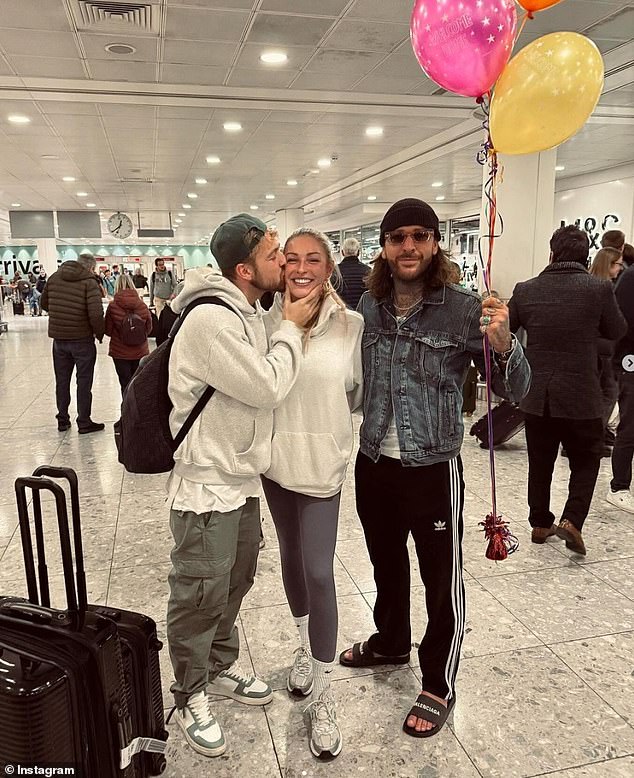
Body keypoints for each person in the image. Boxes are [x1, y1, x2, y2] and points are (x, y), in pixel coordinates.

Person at [339, 198, 531, 739]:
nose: (409, 247)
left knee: (439, 579)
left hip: (433, 467)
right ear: (383, 246)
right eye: (398, 237)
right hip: (373, 460)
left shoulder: (467, 309)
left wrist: (505, 344)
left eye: (419, 235)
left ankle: (438, 681)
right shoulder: (369, 306)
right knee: (384, 564)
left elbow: (518, 391)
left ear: (435, 243)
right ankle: (391, 641)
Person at [165, 213, 321, 759]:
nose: (285, 261)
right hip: (207, 484)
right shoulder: (212, 321)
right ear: (244, 268)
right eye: (276, 252)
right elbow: (267, 385)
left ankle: (218, 667)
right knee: (200, 591)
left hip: (239, 477)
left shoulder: (245, 310)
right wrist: (292, 331)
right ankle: (189, 693)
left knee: (236, 579)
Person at [261, 228, 363, 760]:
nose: (301, 269)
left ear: (328, 268)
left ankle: (325, 694)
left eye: (313, 260)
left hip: (322, 467)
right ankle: (304, 649)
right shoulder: (263, 322)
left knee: (320, 571)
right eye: (292, 259)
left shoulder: (353, 325)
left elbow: (354, 393)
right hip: (276, 465)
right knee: (290, 561)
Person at [509, 226, 626, 554]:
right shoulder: (599, 288)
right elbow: (617, 329)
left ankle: (540, 523)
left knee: (540, 461)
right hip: (582, 394)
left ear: (552, 253)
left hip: (537, 394)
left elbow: (509, 333)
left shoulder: (526, 289)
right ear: (586, 255)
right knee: (586, 461)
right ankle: (572, 520)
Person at [40, 250, 106, 434]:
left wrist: (60, 313)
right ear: (91, 267)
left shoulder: (54, 277)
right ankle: (84, 421)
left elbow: (43, 303)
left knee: (62, 380)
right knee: (83, 381)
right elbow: (95, 313)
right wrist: (100, 333)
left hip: (59, 340)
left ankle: (62, 419)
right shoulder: (89, 282)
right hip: (82, 339)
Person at [607, 258, 634, 514]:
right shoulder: (630, 278)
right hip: (630, 361)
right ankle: (619, 486)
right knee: (629, 425)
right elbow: (622, 326)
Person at [105, 274, 152, 393]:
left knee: (125, 384)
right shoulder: (142, 304)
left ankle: (126, 409)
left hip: (120, 352)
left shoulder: (112, 306)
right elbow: (149, 328)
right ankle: (137, 410)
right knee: (138, 384)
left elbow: (108, 330)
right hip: (140, 351)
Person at [336, 236, 369, 309]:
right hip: (363, 316)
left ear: (342, 252)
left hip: (342, 314)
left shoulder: (334, 271)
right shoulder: (368, 271)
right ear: (358, 253)